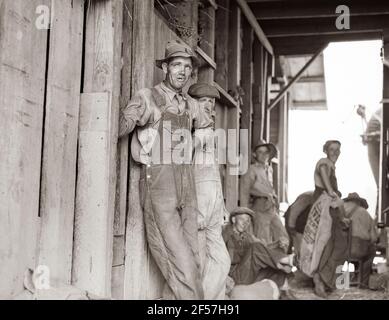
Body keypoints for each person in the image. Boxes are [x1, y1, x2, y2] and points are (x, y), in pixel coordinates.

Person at [119, 40, 213, 300]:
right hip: (160, 183)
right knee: (180, 260)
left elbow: (206, 125)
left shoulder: (191, 105)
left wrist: (194, 142)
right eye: (176, 65)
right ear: (165, 68)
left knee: (193, 256)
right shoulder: (148, 97)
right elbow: (123, 123)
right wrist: (130, 127)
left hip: (186, 182)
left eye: (186, 67)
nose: (182, 71)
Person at [188, 83, 231, 300]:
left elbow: (215, 173)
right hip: (199, 201)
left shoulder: (210, 131)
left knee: (222, 260)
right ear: (194, 103)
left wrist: (222, 205)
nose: (209, 105)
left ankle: (209, 300)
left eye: (211, 101)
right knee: (200, 258)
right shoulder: (191, 129)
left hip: (213, 202)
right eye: (204, 101)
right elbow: (181, 161)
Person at [300, 140, 348, 298]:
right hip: (323, 204)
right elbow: (322, 170)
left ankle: (326, 279)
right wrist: (331, 191)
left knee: (333, 243)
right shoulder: (324, 162)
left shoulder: (332, 166)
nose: (335, 152)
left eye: (337, 149)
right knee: (322, 243)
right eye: (332, 149)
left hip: (330, 205)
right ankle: (318, 282)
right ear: (325, 150)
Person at [222, 207, 297, 300]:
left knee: (273, 265)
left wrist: (277, 244)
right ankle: (287, 260)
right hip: (234, 276)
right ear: (233, 220)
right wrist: (225, 279)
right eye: (242, 220)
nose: (245, 223)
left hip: (247, 274)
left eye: (248, 221)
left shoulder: (247, 236)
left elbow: (264, 248)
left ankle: (283, 292)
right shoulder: (225, 233)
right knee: (256, 248)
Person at [240, 140, 289, 253]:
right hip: (260, 207)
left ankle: (277, 263)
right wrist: (244, 213)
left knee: (282, 236)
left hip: (271, 207)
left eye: (266, 152)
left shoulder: (269, 169)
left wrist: (274, 199)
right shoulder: (251, 170)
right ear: (255, 154)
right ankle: (262, 268)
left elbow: (269, 187)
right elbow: (244, 191)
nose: (263, 155)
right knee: (263, 240)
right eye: (260, 152)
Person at [343, 193, 378, 288]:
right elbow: (374, 238)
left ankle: (340, 282)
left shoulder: (341, 211)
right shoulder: (365, 213)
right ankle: (362, 283)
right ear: (359, 202)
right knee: (370, 252)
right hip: (359, 250)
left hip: (342, 251)